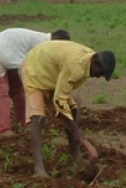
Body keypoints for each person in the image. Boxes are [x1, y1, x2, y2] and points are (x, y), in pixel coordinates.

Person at [21, 40, 115, 178]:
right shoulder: (76, 66)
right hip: (35, 68)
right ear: (95, 62)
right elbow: (59, 101)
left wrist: (74, 127)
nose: (99, 76)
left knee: (73, 110)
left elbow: (62, 97)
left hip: (53, 74)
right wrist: (76, 131)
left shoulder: (88, 61)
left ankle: (76, 158)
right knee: (38, 118)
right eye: (101, 72)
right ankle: (39, 169)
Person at [0, 28, 71, 137]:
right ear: (56, 40)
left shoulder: (43, 42)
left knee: (19, 91)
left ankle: (24, 122)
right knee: (1, 93)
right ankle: (4, 130)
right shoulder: (44, 45)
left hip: (12, 51)